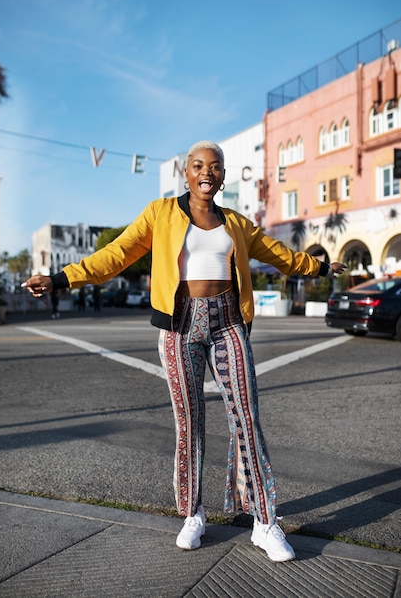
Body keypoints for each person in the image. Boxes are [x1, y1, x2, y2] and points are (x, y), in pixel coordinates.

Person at [22, 140, 347, 562]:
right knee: (189, 423)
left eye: (215, 167)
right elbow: (116, 255)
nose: (206, 173)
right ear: (186, 173)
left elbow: (281, 255)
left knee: (247, 418)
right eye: (198, 166)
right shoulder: (160, 214)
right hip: (180, 326)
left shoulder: (237, 224)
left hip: (228, 320)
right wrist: (60, 278)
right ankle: (193, 513)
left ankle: (265, 523)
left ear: (224, 176)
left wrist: (320, 266)